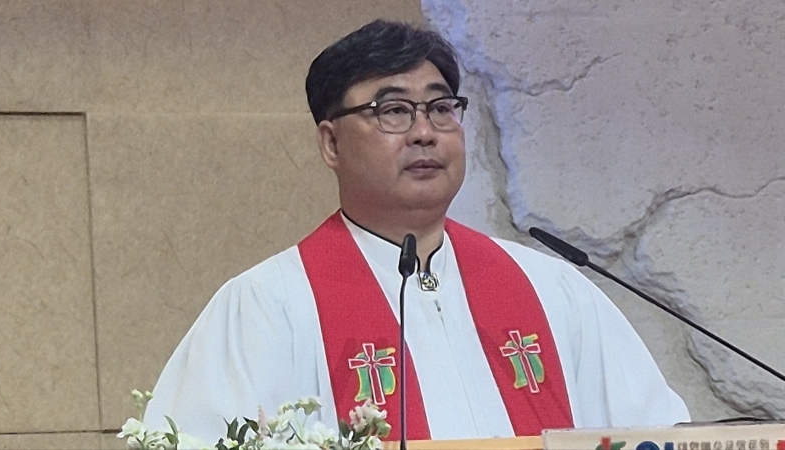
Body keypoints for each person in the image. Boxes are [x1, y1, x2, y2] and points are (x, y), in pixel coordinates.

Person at [144, 19, 690, 442]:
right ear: (331, 143)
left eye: (440, 108)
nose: (425, 132)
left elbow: (654, 433)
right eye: (394, 111)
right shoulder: (267, 307)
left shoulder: (552, 291)